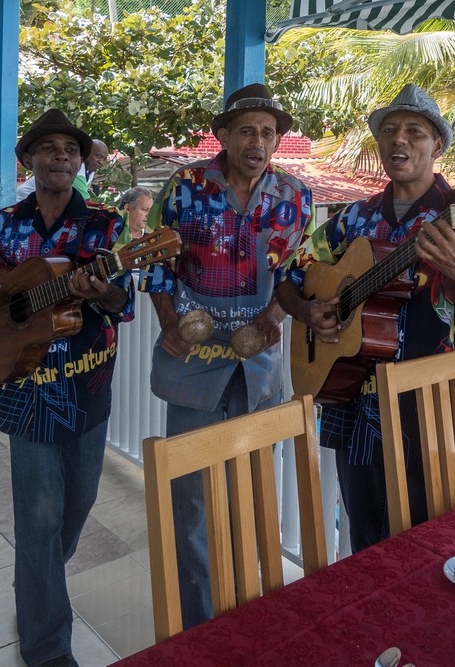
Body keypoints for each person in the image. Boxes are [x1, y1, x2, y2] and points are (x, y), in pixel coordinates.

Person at [0, 109, 134, 667]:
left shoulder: (107, 227)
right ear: (28, 160)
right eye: (48, 147)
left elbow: (124, 300)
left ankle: (37, 584)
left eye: (71, 148)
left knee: (79, 503)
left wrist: (103, 293)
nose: (61, 155)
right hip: (22, 386)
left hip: (88, 385)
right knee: (39, 517)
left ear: (81, 161)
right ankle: (46, 644)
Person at [276, 84, 455, 553]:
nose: (400, 140)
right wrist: (309, 311)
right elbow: (290, 273)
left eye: (415, 132)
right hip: (354, 398)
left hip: (428, 410)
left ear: (436, 146)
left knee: (423, 542)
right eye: (390, 131)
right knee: (364, 538)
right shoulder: (354, 219)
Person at [138, 82, 313, 629]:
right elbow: (157, 262)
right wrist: (169, 322)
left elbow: (298, 272)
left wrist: (275, 315)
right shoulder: (186, 186)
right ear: (223, 136)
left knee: (251, 493)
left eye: (268, 132)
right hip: (194, 361)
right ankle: (200, 627)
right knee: (191, 501)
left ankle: (245, 616)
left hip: (258, 365)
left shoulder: (295, 195)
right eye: (246, 131)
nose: (258, 142)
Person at [16, 138, 109, 201]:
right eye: (98, 156)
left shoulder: (89, 171)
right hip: (23, 202)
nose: (101, 161)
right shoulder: (77, 170)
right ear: (87, 153)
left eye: (104, 159)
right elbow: (84, 201)